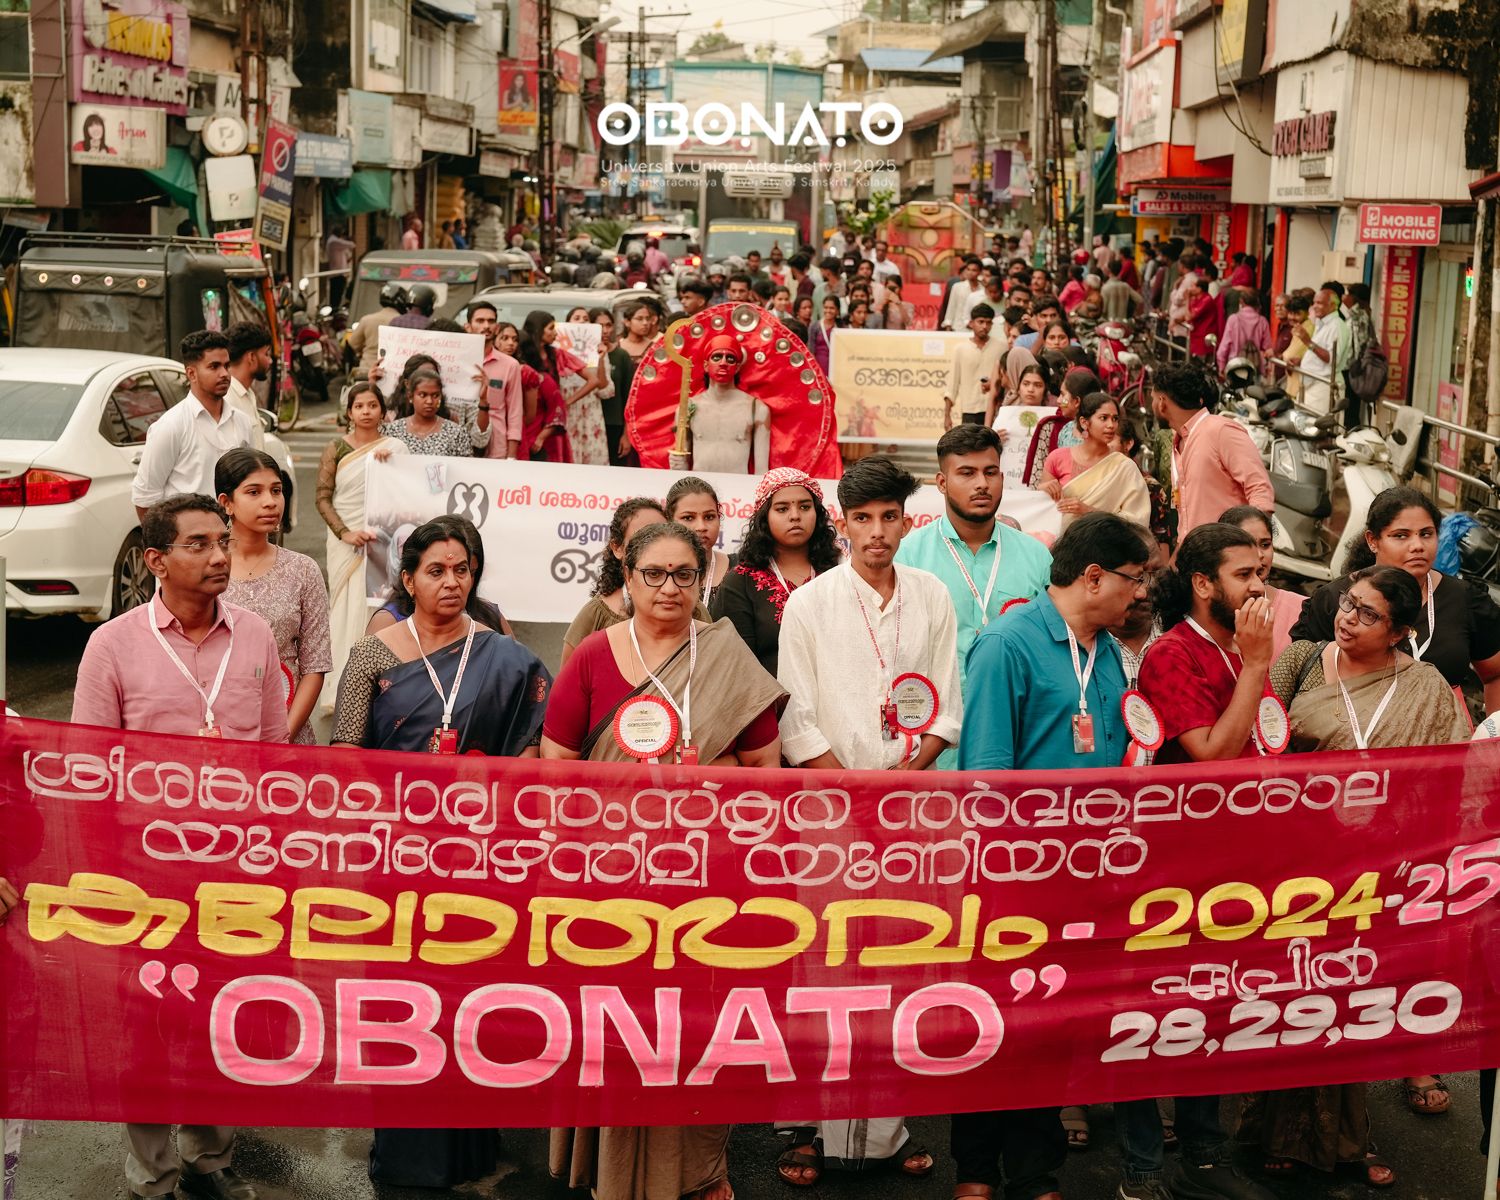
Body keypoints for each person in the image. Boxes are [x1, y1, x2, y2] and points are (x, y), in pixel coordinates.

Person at [542, 520, 780, 1200]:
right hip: (609, 877)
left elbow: (766, 770)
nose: (669, 587)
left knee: (696, 1025)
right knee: (616, 1022)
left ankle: (699, 1169)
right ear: (628, 576)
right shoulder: (594, 655)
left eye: (684, 574)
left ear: (702, 580)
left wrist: (710, 793)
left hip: (706, 877)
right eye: (654, 573)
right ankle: (605, 1167)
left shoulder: (726, 654)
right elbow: (556, 767)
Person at [72, 494, 286, 1200]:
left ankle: (209, 1157)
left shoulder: (254, 636)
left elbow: (276, 755)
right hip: (144, 875)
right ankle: (152, 1173)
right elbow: (88, 770)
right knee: (144, 1025)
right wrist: (100, 875)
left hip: (235, 871)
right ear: (156, 560)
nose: (220, 556)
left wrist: (273, 858)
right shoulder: (112, 645)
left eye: (223, 541)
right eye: (199, 544)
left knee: (221, 1016)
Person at [1241, 566, 1469, 1188]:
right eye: (1348, 604)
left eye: (1369, 614)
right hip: (1297, 866)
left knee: (1351, 1001)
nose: (1349, 618)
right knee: (1291, 994)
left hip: (1380, 872)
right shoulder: (1303, 662)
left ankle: (1346, 1140)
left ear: (1398, 632)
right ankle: (1269, 1133)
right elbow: (1258, 741)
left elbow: (1447, 780)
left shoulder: (1424, 687)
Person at [773, 455, 959, 1187]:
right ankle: (809, 1128)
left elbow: (946, 704)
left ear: (907, 522)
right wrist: (854, 795)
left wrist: (902, 784)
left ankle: (890, 1129)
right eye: (863, 519)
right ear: (842, 525)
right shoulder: (809, 604)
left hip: (910, 811)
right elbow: (797, 718)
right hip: (831, 815)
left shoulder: (932, 594)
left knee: (898, 962)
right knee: (825, 962)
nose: (877, 531)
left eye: (889, 517)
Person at [957, 513, 1152, 1200]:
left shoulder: (1111, 654)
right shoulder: (1006, 644)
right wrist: (1019, 869)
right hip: (1018, 879)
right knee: (997, 1024)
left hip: (1089, 879)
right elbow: (986, 776)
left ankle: (1033, 1171)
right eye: (1133, 579)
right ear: (1094, 577)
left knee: (1050, 1027)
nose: (1140, 593)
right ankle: (975, 1169)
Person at [896, 423, 1051, 765]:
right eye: (967, 473)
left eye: (990, 472)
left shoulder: (1037, 556)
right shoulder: (907, 556)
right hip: (932, 744)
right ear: (942, 483)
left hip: (1019, 734)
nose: (982, 483)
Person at [1292, 484, 1500, 724]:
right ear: (1372, 540)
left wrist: (1492, 735)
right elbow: (1302, 680)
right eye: (1401, 535)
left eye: (1426, 534)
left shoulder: (1464, 599)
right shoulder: (1333, 601)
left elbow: (1495, 674)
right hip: (1351, 737)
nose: (1417, 545)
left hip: (1443, 739)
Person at [216, 449, 330, 745]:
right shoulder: (209, 567)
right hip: (216, 729)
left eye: (276, 490)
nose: (270, 501)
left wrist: (282, 737)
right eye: (254, 492)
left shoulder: (303, 570)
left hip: (286, 729)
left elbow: (315, 666)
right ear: (226, 502)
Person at [316, 381, 407, 719]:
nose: (366, 411)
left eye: (372, 405)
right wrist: (345, 533)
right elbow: (322, 497)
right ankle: (339, 687)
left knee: (377, 607)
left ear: (382, 411)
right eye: (359, 406)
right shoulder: (336, 448)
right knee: (344, 608)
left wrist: (391, 464)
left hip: (382, 541)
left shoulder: (395, 448)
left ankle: (379, 685)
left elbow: (410, 492)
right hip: (346, 543)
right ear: (350, 412)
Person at [712, 467, 842, 675]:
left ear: (817, 514)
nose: (795, 516)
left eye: (805, 507)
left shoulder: (840, 571)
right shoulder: (740, 583)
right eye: (782, 509)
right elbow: (737, 666)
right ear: (765, 518)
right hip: (771, 694)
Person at [132, 331, 255, 523]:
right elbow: (145, 497)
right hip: (189, 537)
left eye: (226, 366)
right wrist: (169, 540)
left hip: (235, 535)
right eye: (214, 366)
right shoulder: (170, 425)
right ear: (191, 374)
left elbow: (250, 483)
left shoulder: (242, 422)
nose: (224, 374)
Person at [1152, 362, 1274, 542]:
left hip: (1229, 552)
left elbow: (1259, 489)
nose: (1152, 405)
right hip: (1196, 552)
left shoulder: (1220, 430)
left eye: (1153, 398)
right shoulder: (1179, 441)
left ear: (1162, 403)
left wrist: (1248, 545)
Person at [561, 497, 669, 666]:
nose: (654, 547)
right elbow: (568, 678)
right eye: (641, 538)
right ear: (617, 548)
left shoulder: (690, 608)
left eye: (662, 536)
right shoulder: (595, 615)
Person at [1040, 392, 1151, 526]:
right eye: (1104, 418)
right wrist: (1043, 489)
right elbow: (1041, 508)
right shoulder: (1057, 458)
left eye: (1115, 419)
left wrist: (1089, 512)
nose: (1111, 425)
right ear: (1084, 422)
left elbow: (1137, 519)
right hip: (1060, 537)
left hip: (1103, 538)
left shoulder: (1125, 466)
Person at [679, 336, 770, 474]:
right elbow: (681, 465)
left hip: (738, 485)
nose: (723, 363)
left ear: (737, 367)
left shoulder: (757, 409)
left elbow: (761, 470)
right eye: (717, 357)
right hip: (699, 485)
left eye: (730, 358)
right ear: (706, 365)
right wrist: (676, 466)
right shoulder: (687, 407)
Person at [1219, 505, 1303, 655]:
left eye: (1265, 545)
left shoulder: (1302, 609)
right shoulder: (1211, 612)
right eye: (1247, 545)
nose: (1259, 555)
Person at [380, 367, 489, 456]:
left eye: (435, 395)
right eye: (422, 395)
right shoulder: (393, 431)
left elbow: (466, 469)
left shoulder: (456, 433)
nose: (429, 401)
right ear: (410, 396)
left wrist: (483, 400)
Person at [469, 299, 523, 459]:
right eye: (480, 321)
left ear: (497, 327)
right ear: (468, 327)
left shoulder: (510, 365)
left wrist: (511, 456)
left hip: (496, 448)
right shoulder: (456, 361)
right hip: (461, 443)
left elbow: (515, 412)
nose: (486, 325)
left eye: (491, 321)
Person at [665, 476, 732, 607]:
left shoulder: (740, 571)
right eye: (688, 518)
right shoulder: (654, 573)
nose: (701, 527)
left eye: (709, 517)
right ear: (669, 521)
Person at [943, 303, 1006, 430]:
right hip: (969, 411)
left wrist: (994, 383)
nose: (984, 326)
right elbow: (952, 385)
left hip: (995, 410)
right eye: (981, 322)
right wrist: (947, 415)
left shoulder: (1002, 348)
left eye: (988, 322)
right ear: (971, 323)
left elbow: (1007, 379)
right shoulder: (960, 349)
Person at [223, 322, 270, 451]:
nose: (270, 360)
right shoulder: (226, 399)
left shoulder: (248, 394)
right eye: (266, 354)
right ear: (251, 357)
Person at [1294, 287, 1341, 416]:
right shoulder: (1322, 323)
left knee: (1313, 424)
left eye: (1319, 303)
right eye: (1314, 302)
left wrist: (1307, 341)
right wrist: (1301, 361)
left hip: (1322, 387)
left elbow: (1331, 359)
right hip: (1310, 386)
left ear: (1332, 305)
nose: (1314, 307)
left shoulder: (1336, 326)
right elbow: (1318, 352)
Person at [346, 284, 407, 374]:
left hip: (366, 370)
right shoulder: (404, 322)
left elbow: (353, 343)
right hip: (392, 371)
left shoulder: (366, 319)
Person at [1216, 289, 1271, 375]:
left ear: (1241, 302)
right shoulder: (1262, 321)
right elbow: (1267, 348)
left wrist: (1221, 367)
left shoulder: (1233, 319)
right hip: (1255, 367)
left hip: (1235, 366)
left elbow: (1223, 348)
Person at [941, 256, 983, 330]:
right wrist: (948, 325)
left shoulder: (983, 289)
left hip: (977, 329)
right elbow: (951, 307)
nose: (970, 273)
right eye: (968, 269)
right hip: (958, 328)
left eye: (974, 270)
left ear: (979, 272)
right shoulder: (957, 287)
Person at [324, 224, 356, 310]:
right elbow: (352, 245)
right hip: (336, 273)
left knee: (339, 295)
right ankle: (334, 310)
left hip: (340, 273)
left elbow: (348, 255)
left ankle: (336, 310)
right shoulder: (333, 241)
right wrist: (350, 240)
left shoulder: (337, 243)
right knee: (336, 296)